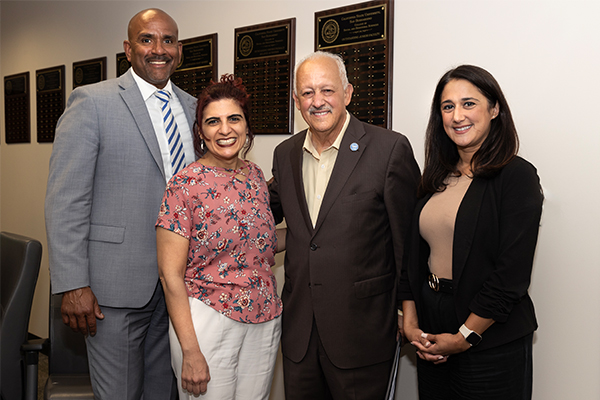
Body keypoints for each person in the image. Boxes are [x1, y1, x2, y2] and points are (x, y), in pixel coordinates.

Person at [45, 9, 195, 399]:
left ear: (179, 49)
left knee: (163, 391)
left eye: (168, 40)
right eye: (147, 39)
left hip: (178, 286)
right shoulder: (92, 102)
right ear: (128, 49)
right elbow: (65, 200)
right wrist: (73, 283)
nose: (158, 49)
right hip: (113, 290)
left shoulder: (194, 109)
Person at [269, 51, 421, 399]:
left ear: (348, 93)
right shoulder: (285, 153)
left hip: (362, 332)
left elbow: (407, 241)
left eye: (327, 90)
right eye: (307, 93)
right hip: (300, 335)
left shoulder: (388, 149)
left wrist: (407, 309)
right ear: (296, 100)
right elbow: (264, 214)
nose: (317, 101)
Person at [399, 65, 544, 399]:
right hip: (433, 328)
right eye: (448, 106)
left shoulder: (517, 177)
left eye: (469, 103)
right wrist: (410, 322)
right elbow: (413, 256)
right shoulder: (436, 176)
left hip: (490, 334)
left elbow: (511, 275)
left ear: (494, 110)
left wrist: (465, 336)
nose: (457, 116)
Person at [156, 74, 283, 400]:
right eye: (213, 121)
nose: (225, 129)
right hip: (208, 322)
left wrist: (321, 235)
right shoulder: (185, 185)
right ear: (200, 131)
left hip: (264, 318)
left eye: (234, 119)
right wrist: (190, 351)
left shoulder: (254, 176)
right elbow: (170, 276)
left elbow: (259, 244)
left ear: (246, 125)